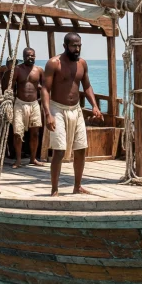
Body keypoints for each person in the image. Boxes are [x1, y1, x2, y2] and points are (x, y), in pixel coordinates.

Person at [42, 33, 103, 196]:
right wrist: (48, 113)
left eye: (79, 46)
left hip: (75, 110)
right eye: (73, 46)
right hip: (57, 109)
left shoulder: (82, 64)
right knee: (59, 151)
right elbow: (45, 90)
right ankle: (54, 189)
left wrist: (95, 106)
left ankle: (77, 186)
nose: (77, 49)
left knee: (81, 148)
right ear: (65, 46)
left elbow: (87, 86)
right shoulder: (53, 64)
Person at [8, 47, 48, 168]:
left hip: (34, 104)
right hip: (20, 103)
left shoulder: (39, 70)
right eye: (28, 55)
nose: (31, 57)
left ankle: (33, 159)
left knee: (35, 133)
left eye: (33, 55)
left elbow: (45, 87)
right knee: (18, 133)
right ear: (24, 56)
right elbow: (9, 87)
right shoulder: (17, 70)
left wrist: (43, 99)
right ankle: (19, 160)